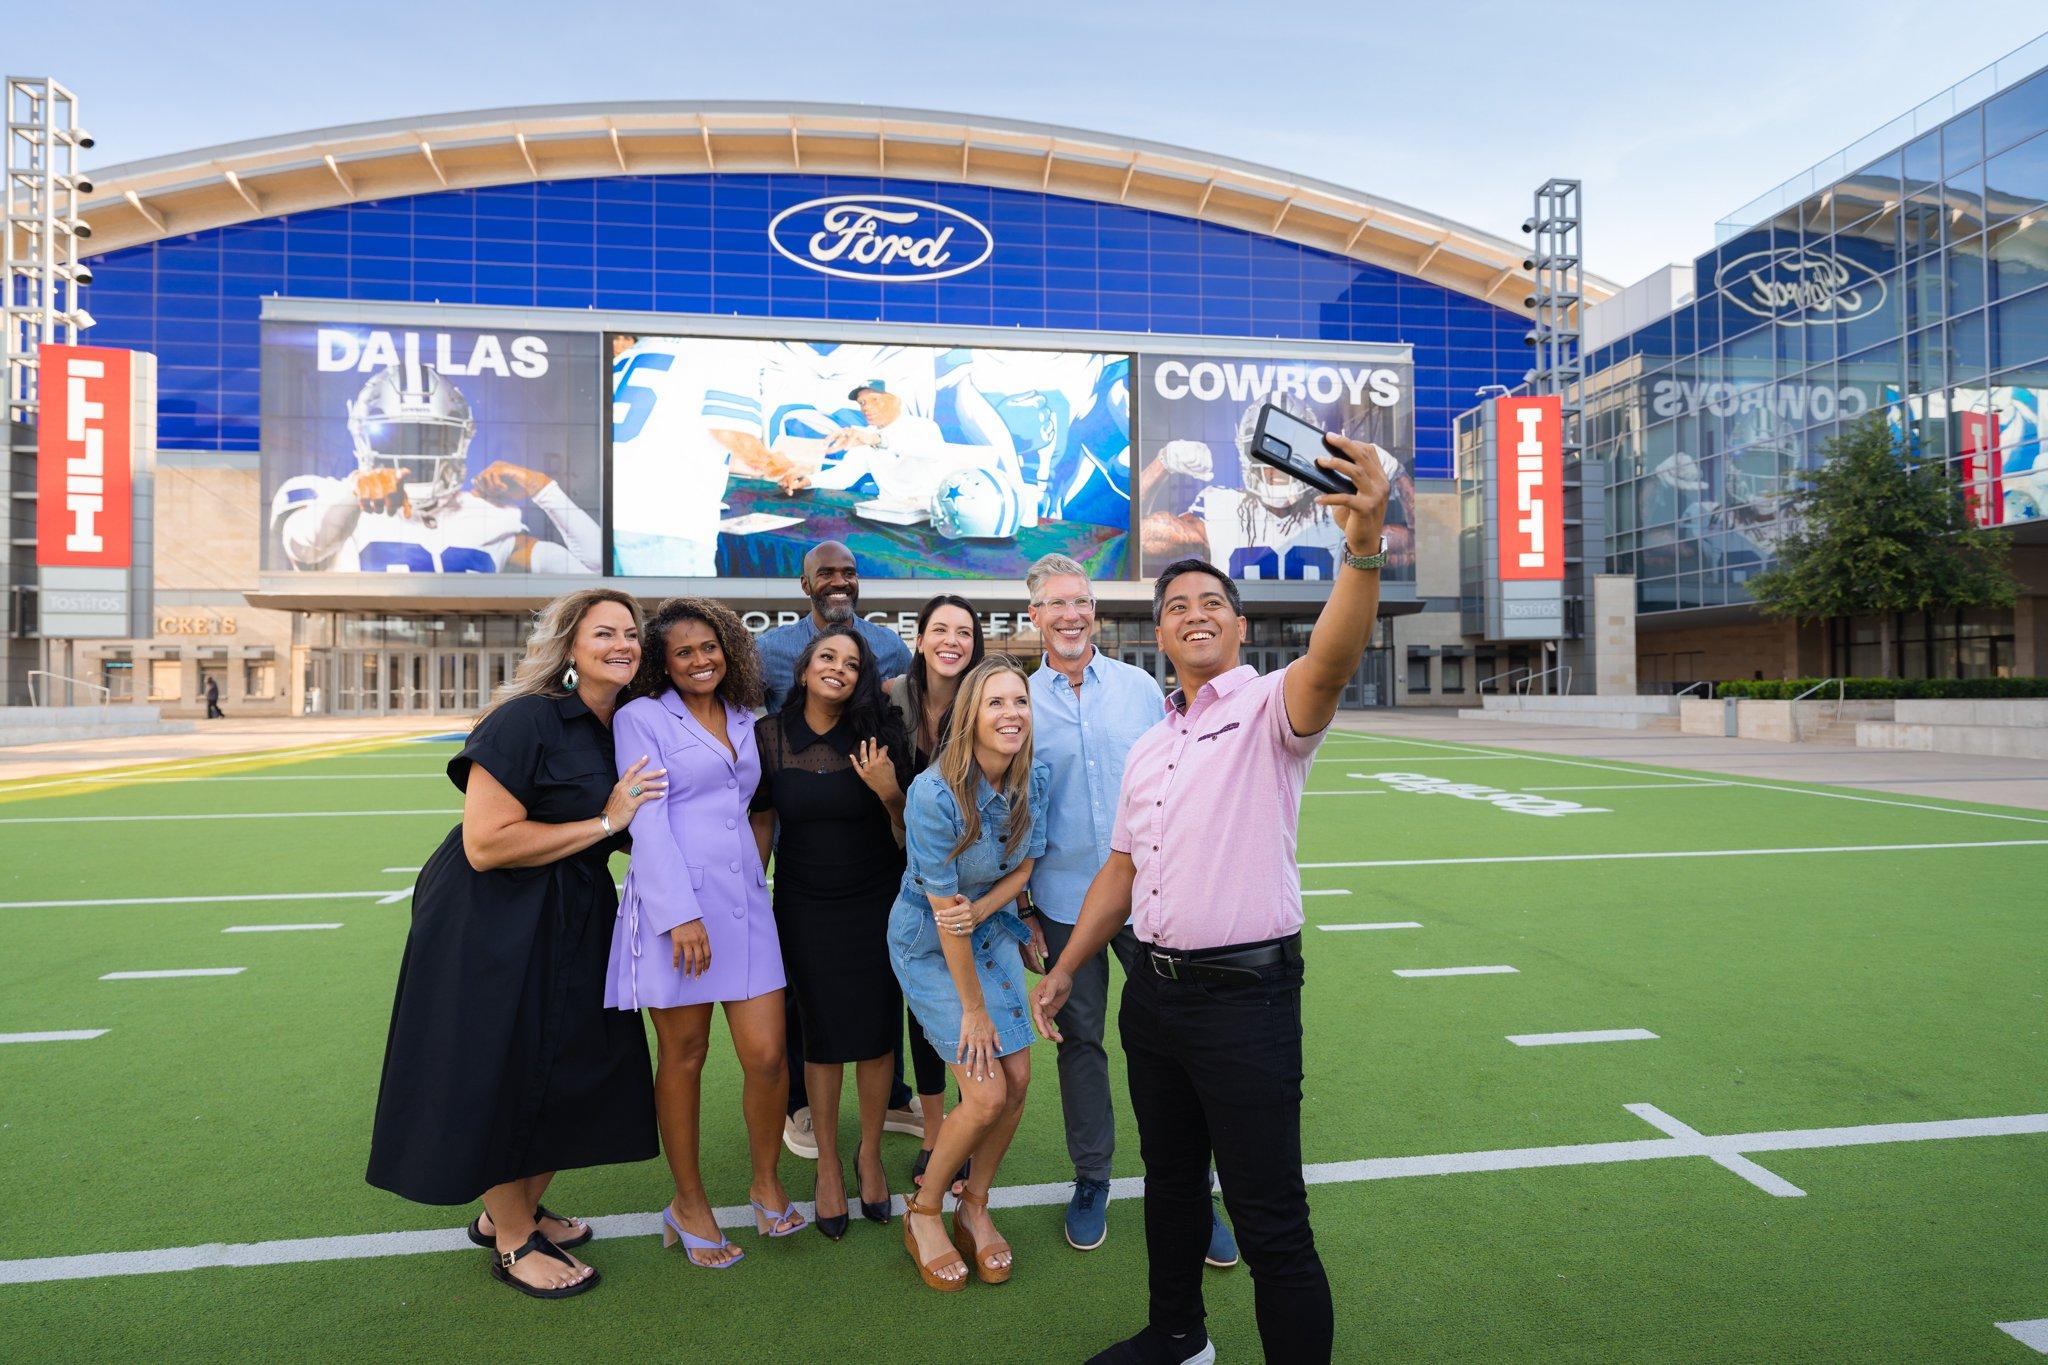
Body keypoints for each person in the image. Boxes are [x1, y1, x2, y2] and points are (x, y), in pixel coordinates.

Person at [1034, 430, 1392, 1363]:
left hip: (1246, 999)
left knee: (1270, 1211)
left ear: (1236, 627)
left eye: (1212, 603)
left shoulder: (1271, 708)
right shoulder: (1151, 742)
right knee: (1172, 1183)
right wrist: (1069, 967)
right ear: (1155, 633)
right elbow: (1120, 872)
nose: (1195, 613)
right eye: (1176, 605)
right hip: (1154, 998)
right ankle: (1179, 1335)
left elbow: (1334, 658)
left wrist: (1362, 547)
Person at [367, 588, 662, 1300]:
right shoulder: (526, 718)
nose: (622, 643)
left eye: (631, 633)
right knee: (501, 1063)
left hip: (573, 910)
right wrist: (603, 821)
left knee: (569, 1061)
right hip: (490, 915)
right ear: (569, 646)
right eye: (604, 632)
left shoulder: (617, 728)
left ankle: (516, 1206)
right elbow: (486, 842)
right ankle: (510, 1237)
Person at [1019, 554, 1237, 1269]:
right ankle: (1092, 1179)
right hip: (1062, 904)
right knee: (1080, 1042)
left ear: (1094, 611)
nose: (1071, 614)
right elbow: (1014, 812)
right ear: (1035, 618)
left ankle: (1197, 1191)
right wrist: (1021, 906)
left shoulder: (1143, 688)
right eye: (1056, 604)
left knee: (1177, 1043)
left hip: (1151, 900)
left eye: (1080, 600)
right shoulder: (1019, 699)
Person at [605, 597, 804, 1269]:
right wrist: (678, 912)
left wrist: (753, 873)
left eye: (709, 646)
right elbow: (645, 819)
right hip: (677, 910)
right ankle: (688, 1201)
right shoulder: (640, 718)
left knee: (768, 1054)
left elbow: (750, 811)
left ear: (729, 649)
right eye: (684, 651)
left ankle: (765, 1181)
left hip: (744, 906)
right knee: (684, 1056)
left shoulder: (749, 718)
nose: (700, 659)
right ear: (662, 662)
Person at [888, 657, 1050, 1292]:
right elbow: (946, 917)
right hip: (931, 942)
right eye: (996, 703)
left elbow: (1025, 867)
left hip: (983, 926)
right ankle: (924, 1211)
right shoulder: (933, 794)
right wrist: (974, 1010)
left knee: (1017, 1078)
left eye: (1020, 702)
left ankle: (974, 1203)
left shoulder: (1034, 777)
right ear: (970, 717)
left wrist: (990, 909)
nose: (1011, 714)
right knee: (983, 1093)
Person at [755, 540, 917, 1158]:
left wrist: (889, 795)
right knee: (808, 989)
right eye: (827, 572)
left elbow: (898, 729)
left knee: (883, 980)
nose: (840, 581)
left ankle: (894, 1095)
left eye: (849, 571)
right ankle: (800, 1102)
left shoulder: (892, 647)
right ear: (805, 584)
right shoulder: (768, 650)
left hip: (869, 839)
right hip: (802, 835)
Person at [882, 594, 985, 1193]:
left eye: (964, 632)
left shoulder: (982, 704)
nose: (952, 641)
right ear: (919, 638)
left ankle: (935, 1133)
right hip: (886, 868)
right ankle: (908, 1116)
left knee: (939, 1008)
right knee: (899, 1001)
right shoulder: (888, 700)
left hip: (953, 877)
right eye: (940, 630)